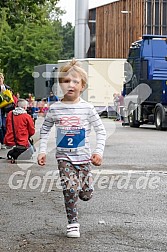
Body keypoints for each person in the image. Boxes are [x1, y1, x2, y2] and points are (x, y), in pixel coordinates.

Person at [37, 59, 106, 238]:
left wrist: (98, 152)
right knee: (70, 188)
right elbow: (44, 131)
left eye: (75, 81)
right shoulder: (55, 108)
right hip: (64, 158)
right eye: (66, 81)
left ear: (82, 86)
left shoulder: (88, 109)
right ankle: (73, 223)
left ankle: (87, 187)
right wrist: (42, 150)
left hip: (84, 159)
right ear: (61, 84)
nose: (71, 85)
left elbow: (101, 131)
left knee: (85, 194)